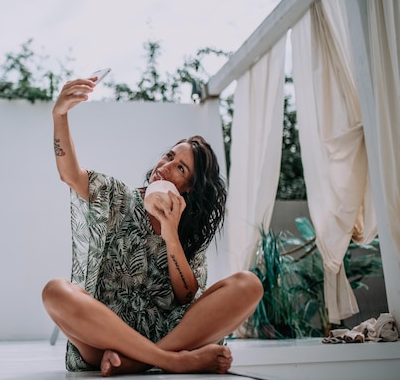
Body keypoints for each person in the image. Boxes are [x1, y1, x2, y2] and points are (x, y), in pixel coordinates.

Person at [42, 76, 263, 376]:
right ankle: (174, 362)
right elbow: (70, 175)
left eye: (180, 168)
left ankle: (142, 361)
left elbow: (186, 296)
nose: (165, 167)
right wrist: (60, 115)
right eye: (169, 156)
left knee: (249, 285)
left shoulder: (187, 229)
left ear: (189, 188)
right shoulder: (117, 197)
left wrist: (171, 232)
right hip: (108, 337)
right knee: (55, 291)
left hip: (170, 333)